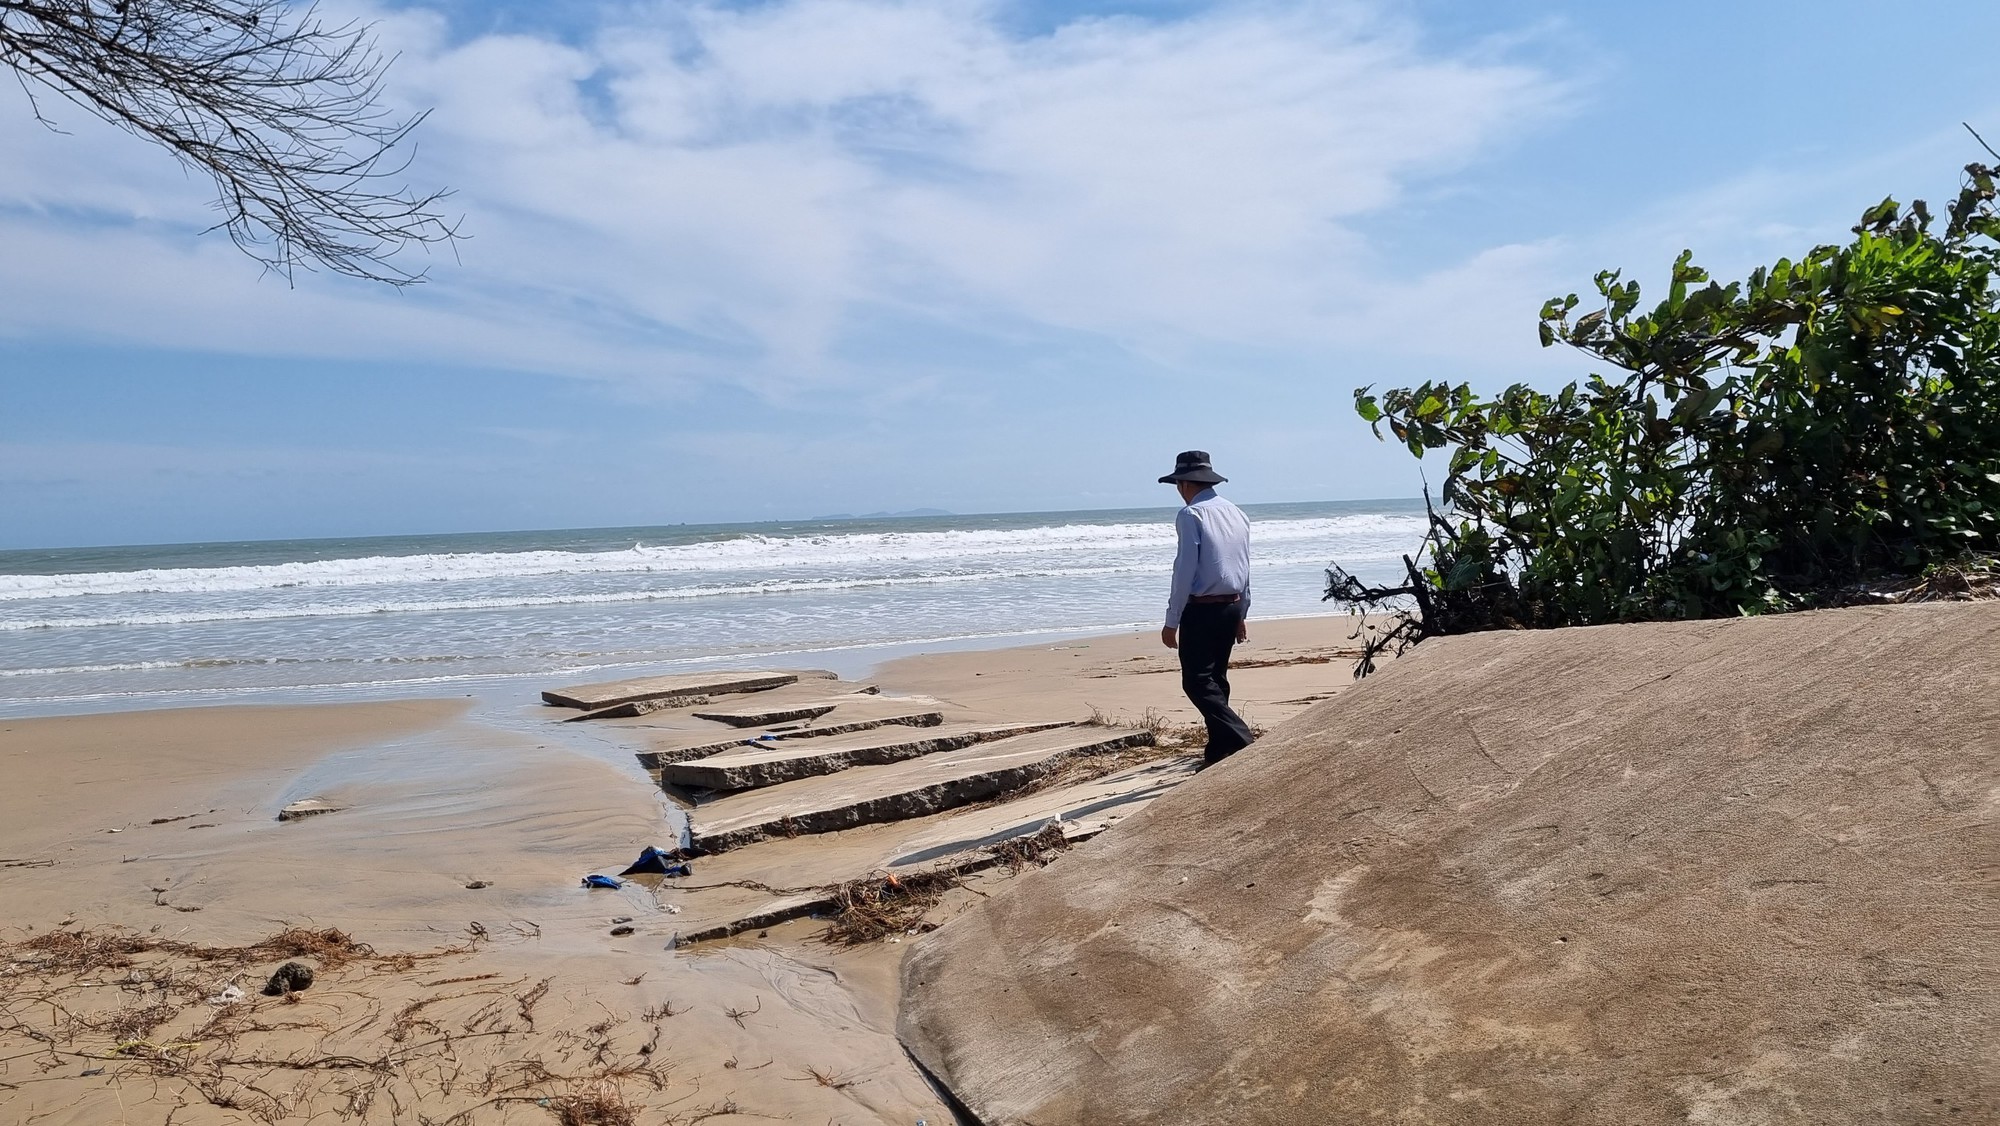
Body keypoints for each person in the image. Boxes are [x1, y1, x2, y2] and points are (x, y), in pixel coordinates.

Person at [1157, 450, 1255, 767]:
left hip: (1202, 610)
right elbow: (1244, 567)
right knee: (1217, 678)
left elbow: (1184, 570)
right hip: (1231, 605)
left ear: (1184, 484)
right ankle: (1218, 751)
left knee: (1197, 681)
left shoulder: (1191, 515)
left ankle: (1242, 740)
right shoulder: (1236, 513)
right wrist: (1243, 612)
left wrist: (1171, 620)